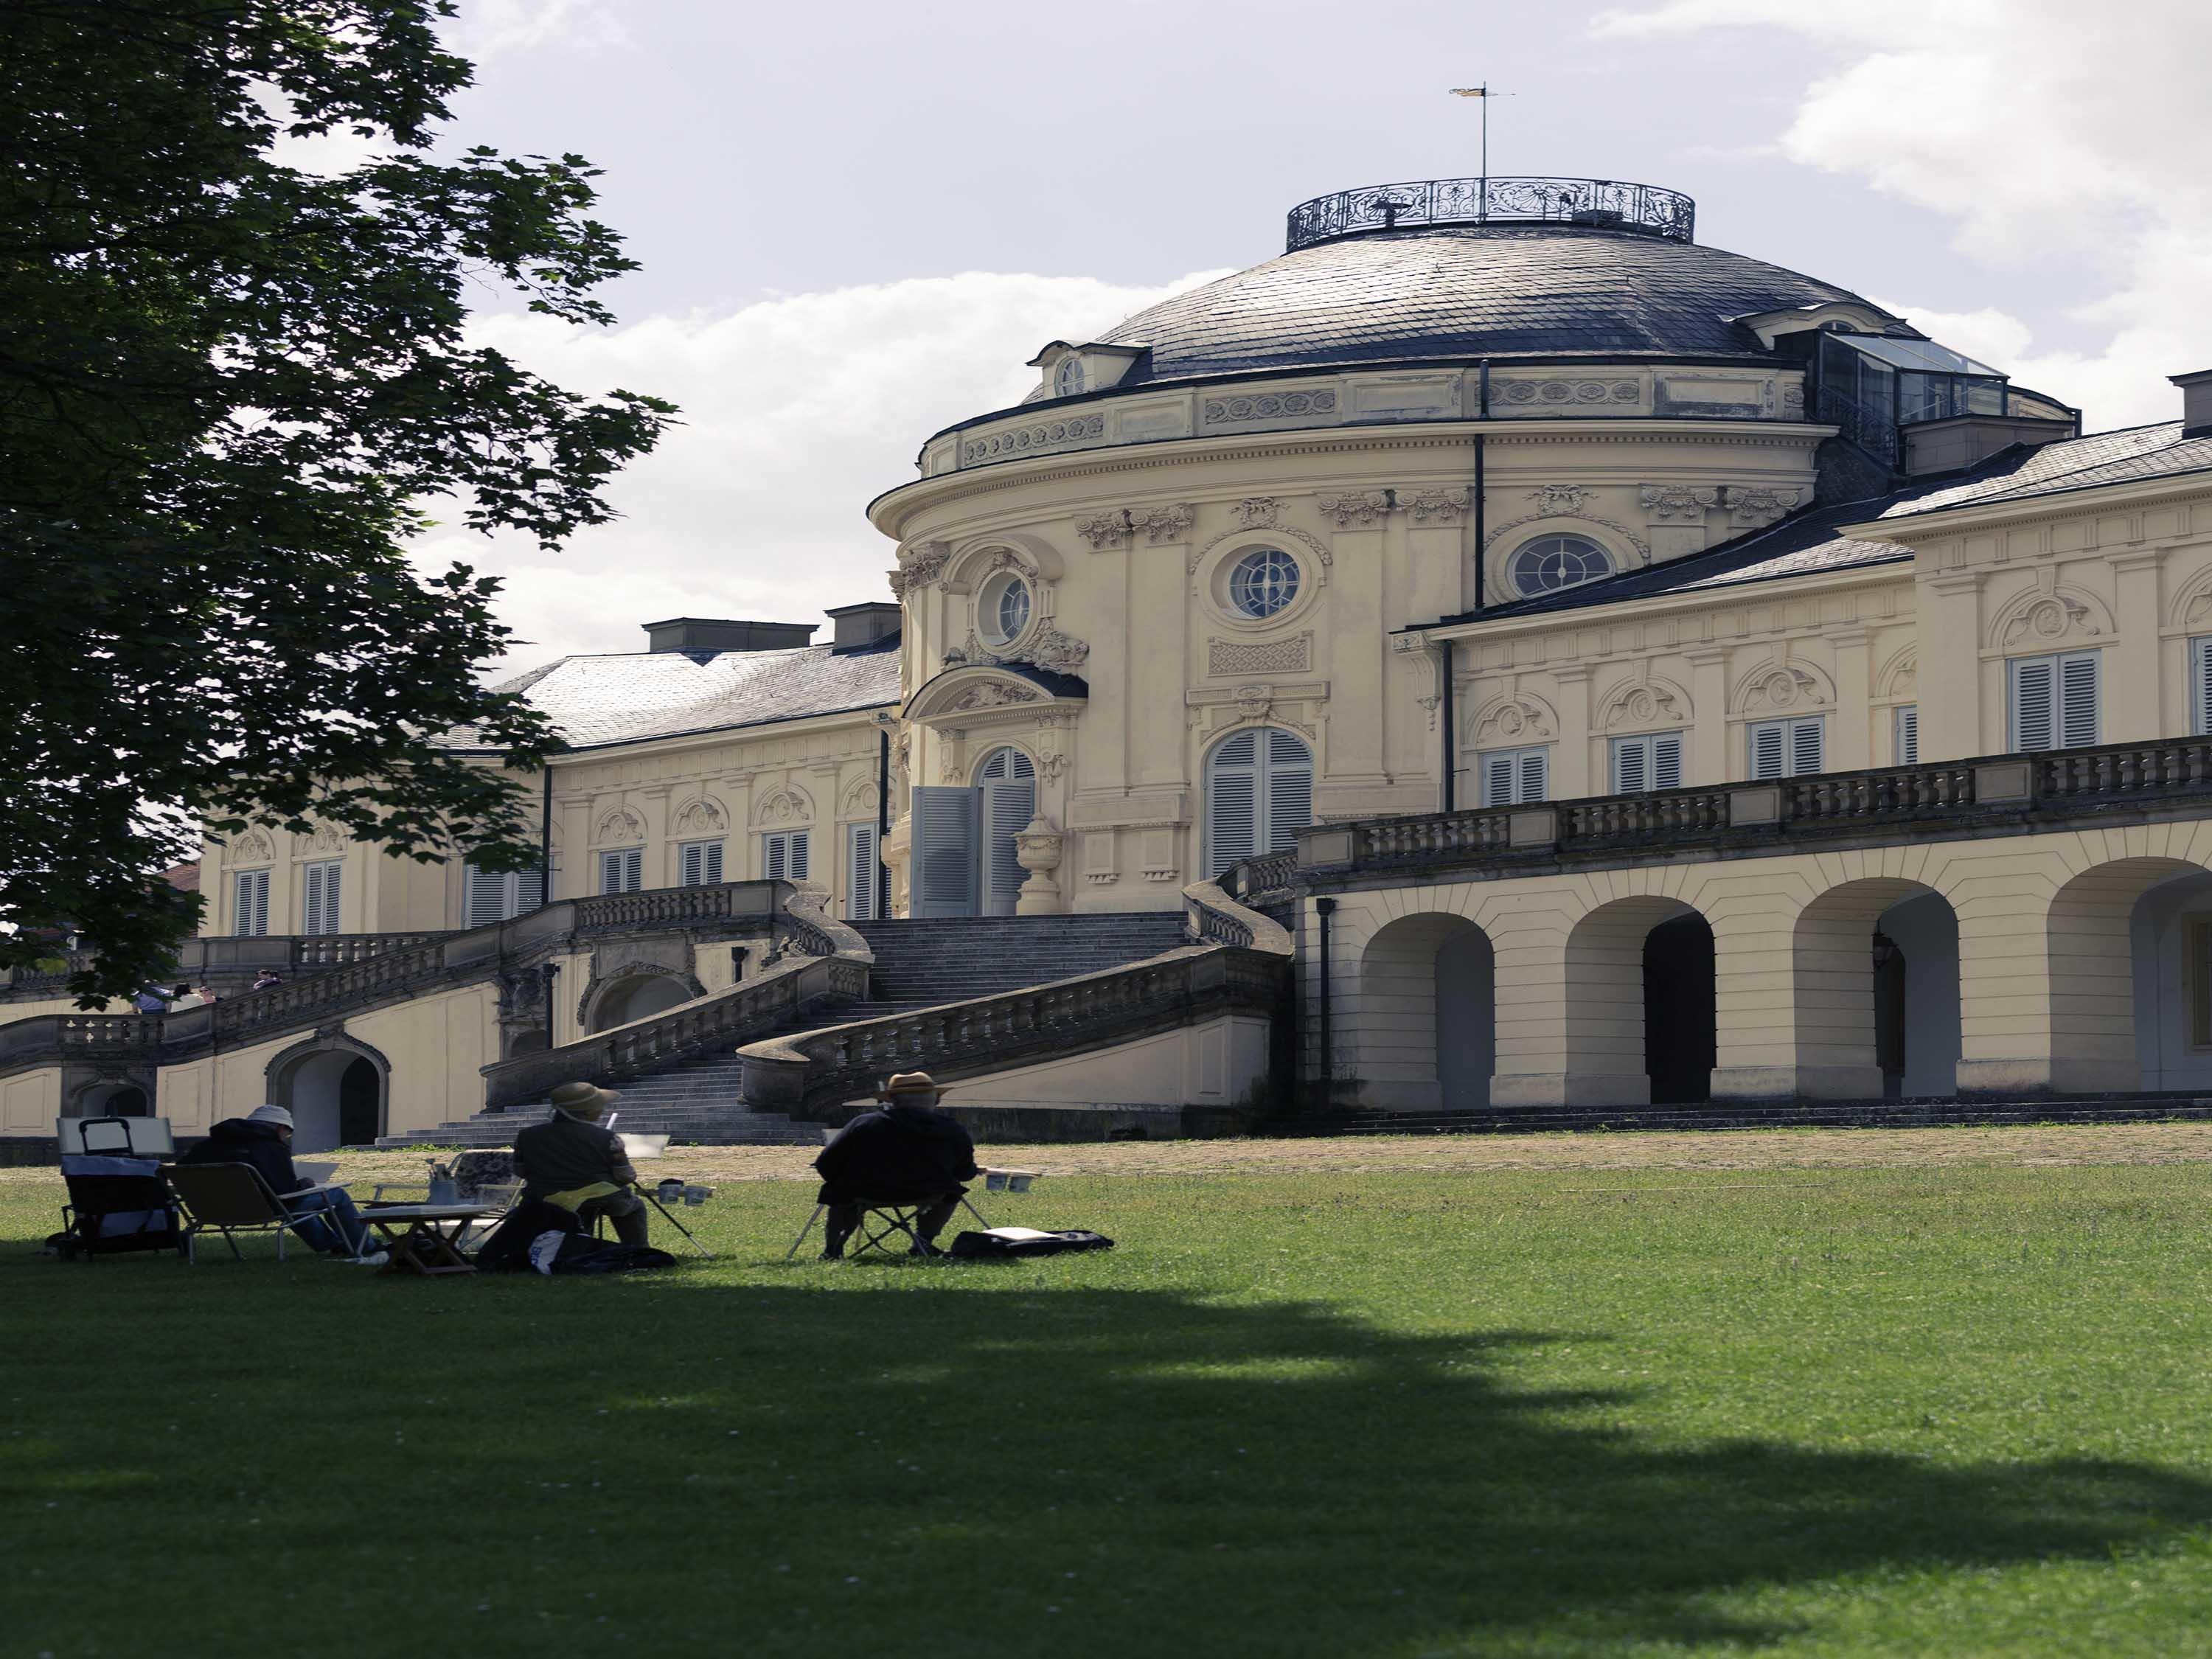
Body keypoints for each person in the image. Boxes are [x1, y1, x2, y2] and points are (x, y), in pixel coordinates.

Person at [177, 1104, 381, 1262]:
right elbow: (285, 1192)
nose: (287, 1137)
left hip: (210, 1211)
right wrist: (305, 1184)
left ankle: (333, 1244)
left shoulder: (204, 1147)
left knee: (297, 1202)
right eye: (288, 1132)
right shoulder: (270, 1147)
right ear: (279, 1128)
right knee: (335, 1195)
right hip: (261, 1209)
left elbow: (178, 1171)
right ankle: (365, 1246)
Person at [813, 1071, 979, 1259]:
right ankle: (923, 1242)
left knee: (839, 1193)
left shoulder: (864, 1124)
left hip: (864, 1191)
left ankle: (832, 1250)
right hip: (929, 1192)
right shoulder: (952, 1129)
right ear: (936, 1100)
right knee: (951, 1192)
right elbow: (964, 1173)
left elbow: (826, 1163)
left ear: (892, 1099)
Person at [512, 1082, 649, 1245]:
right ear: (588, 1112)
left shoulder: (527, 1135)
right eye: (599, 1106)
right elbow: (625, 1176)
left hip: (543, 1197)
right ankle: (638, 1249)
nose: (602, 1110)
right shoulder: (605, 1137)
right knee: (634, 1207)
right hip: (600, 1198)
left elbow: (520, 1170)